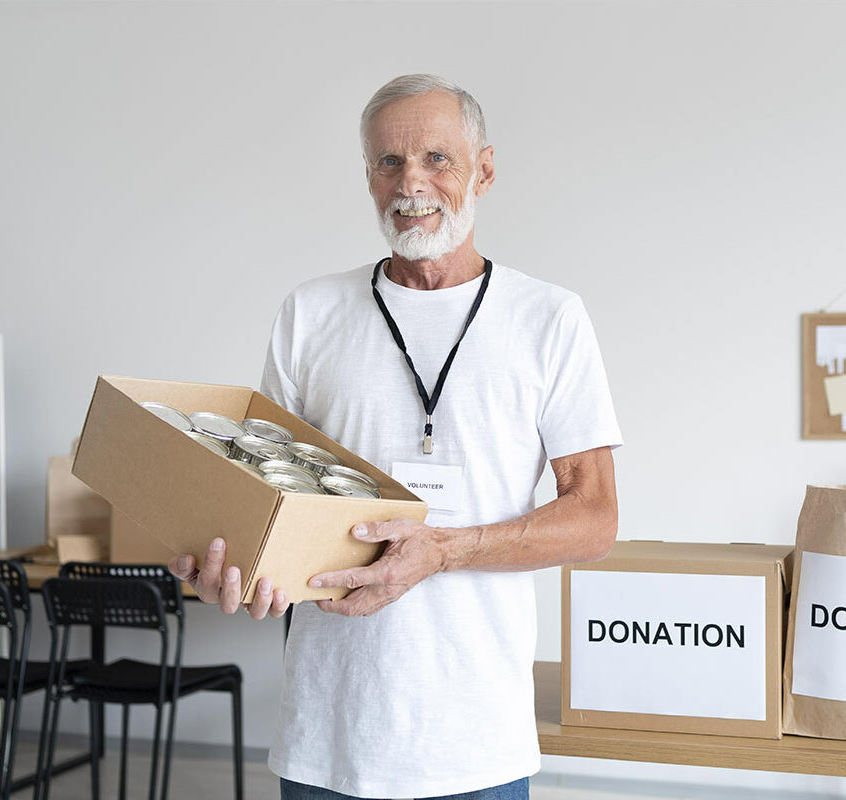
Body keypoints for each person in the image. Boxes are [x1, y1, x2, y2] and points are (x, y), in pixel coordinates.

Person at [168, 73, 622, 800]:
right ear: (369, 178)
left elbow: (595, 519)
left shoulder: (549, 318)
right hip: (327, 742)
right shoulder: (310, 312)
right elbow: (263, 498)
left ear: (485, 170)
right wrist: (234, 569)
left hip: (479, 748)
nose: (412, 181)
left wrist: (440, 551)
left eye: (437, 158)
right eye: (388, 162)